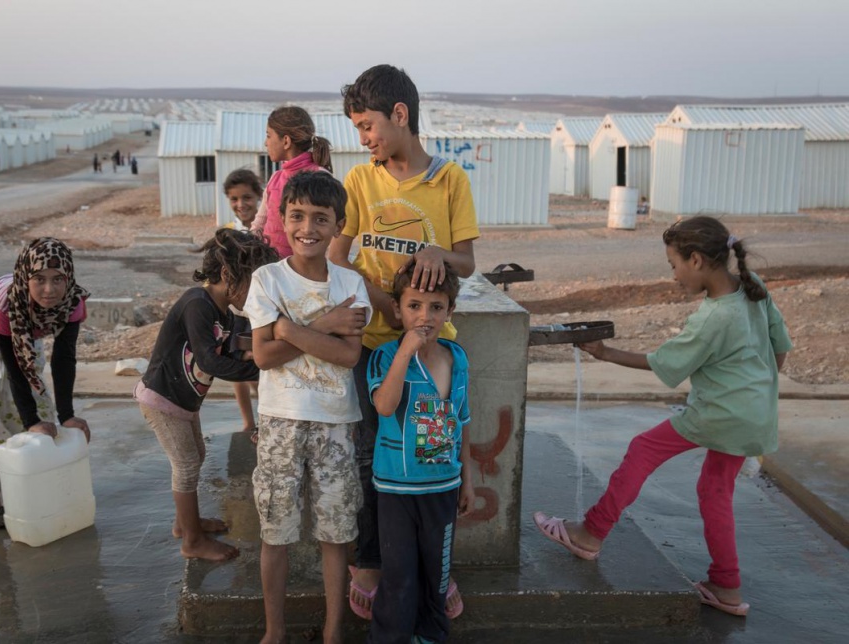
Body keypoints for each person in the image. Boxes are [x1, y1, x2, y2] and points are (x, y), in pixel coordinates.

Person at [534, 216, 792, 618]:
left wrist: (603, 352)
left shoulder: (713, 317)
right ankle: (726, 585)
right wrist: (755, 387)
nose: (672, 276)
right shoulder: (752, 288)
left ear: (695, 260)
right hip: (755, 413)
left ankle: (591, 533)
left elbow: (664, 363)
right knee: (715, 491)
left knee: (643, 449)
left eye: (673, 265)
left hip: (720, 414)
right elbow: (780, 348)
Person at [327, 63, 479, 620]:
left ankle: (438, 564)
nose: (364, 140)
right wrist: (382, 300)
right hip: (376, 344)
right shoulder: (360, 181)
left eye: (367, 126)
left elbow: (467, 259)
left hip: (435, 350)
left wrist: (441, 255)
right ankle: (370, 560)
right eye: (357, 131)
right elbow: (339, 254)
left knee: (434, 452)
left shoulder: (449, 180)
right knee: (372, 453)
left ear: (400, 115)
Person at [244, 171, 371, 644]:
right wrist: (326, 322)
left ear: (338, 225)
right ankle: (274, 633)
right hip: (280, 421)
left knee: (336, 533)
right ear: (282, 218)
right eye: (297, 216)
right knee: (275, 530)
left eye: (321, 218)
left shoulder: (351, 284)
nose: (308, 227)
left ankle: (333, 632)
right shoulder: (267, 279)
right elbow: (263, 354)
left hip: (337, 423)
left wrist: (289, 327)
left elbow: (348, 354)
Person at [135, 229, 279, 561]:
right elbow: (212, 361)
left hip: (183, 401)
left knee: (196, 457)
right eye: (255, 282)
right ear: (228, 275)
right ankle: (192, 542)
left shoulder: (225, 312)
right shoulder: (197, 305)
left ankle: (185, 523)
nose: (260, 292)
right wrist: (267, 366)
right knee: (185, 465)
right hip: (163, 400)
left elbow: (242, 338)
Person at [367, 260, 475, 643]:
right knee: (398, 575)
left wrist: (467, 482)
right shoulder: (384, 356)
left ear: (450, 312)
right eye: (414, 306)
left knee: (437, 572)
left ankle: (430, 636)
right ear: (397, 309)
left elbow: (461, 420)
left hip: (443, 488)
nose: (424, 316)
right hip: (397, 490)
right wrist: (404, 353)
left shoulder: (456, 358)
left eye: (436, 307)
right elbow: (383, 405)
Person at [0, 238, 91, 530]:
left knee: (41, 402)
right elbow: (15, 368)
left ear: (69, 278)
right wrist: (30, 422)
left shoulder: (74, 302)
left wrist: (67, 415)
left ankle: (37, 475)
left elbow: (64, 360)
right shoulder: (4, 304)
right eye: (38, 279)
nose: (49, 290)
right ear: (25, 277)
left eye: (58, 280)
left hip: (29, 333)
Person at [190, 169, 266, 442]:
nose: (241, 204)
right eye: (234, 199)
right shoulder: (229, 233)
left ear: (259, 197)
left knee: (258, 366)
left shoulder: (265, 230)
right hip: (235, 313)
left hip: (258, 311)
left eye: (247, 197)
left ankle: (264, 417)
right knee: (236, 367)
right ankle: (247, 421)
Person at [250, 106, 332, 259]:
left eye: (268, 136)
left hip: (303, 271)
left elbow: (332, 226)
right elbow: (259, 225)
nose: (265, 143)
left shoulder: (320, 178)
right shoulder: (275, 178)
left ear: (286, 141)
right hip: (270, 268)